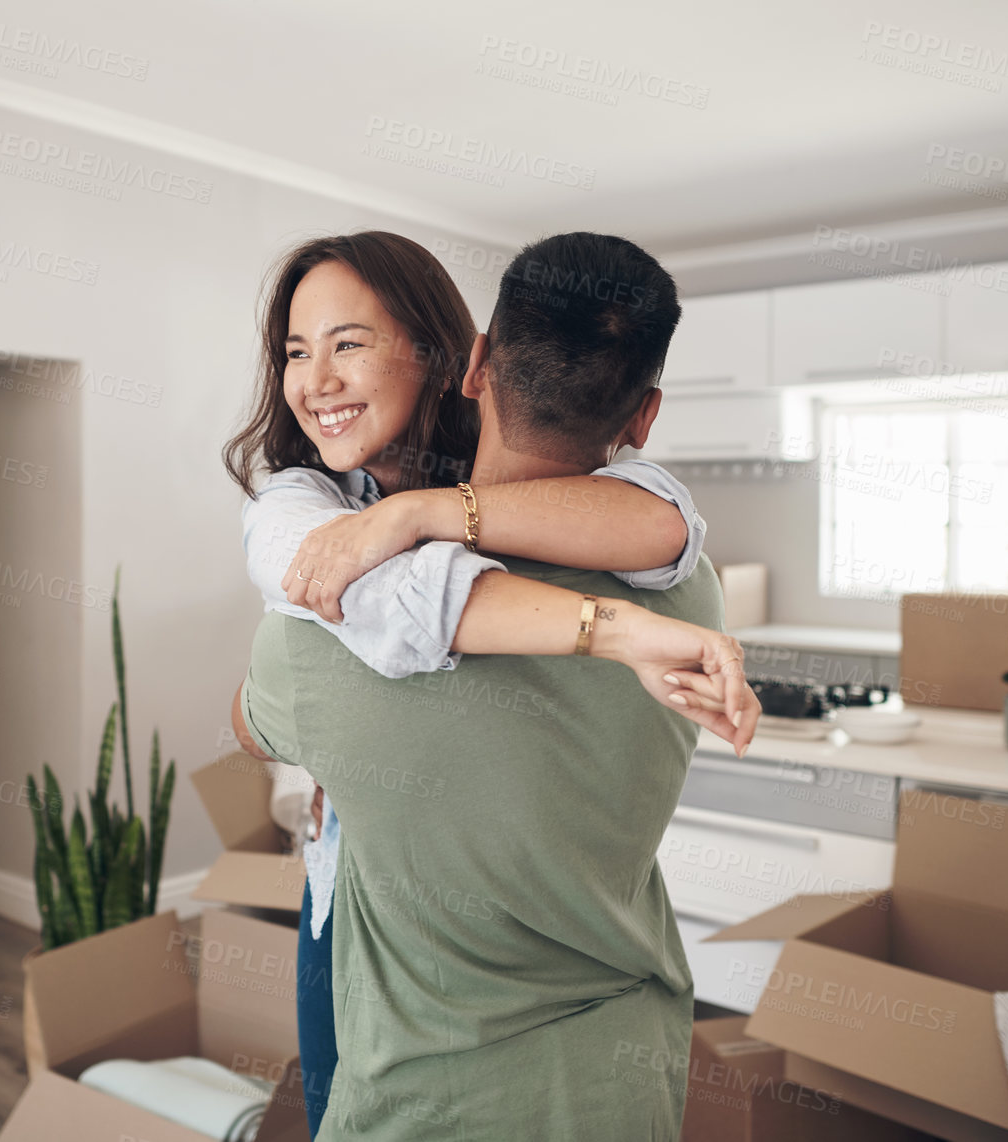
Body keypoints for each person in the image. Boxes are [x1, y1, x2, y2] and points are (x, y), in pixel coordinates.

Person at [221, 231, 754, 1137]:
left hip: (415, 1051)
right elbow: (669, 527)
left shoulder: (317, 639)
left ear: (466, 363)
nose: (314, 380)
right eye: (297, 353)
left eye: (348, 342)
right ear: (645, 412)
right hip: (618, 1024)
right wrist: (615, 629)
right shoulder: (689, 597)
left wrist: (418, 519)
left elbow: (253, 714)